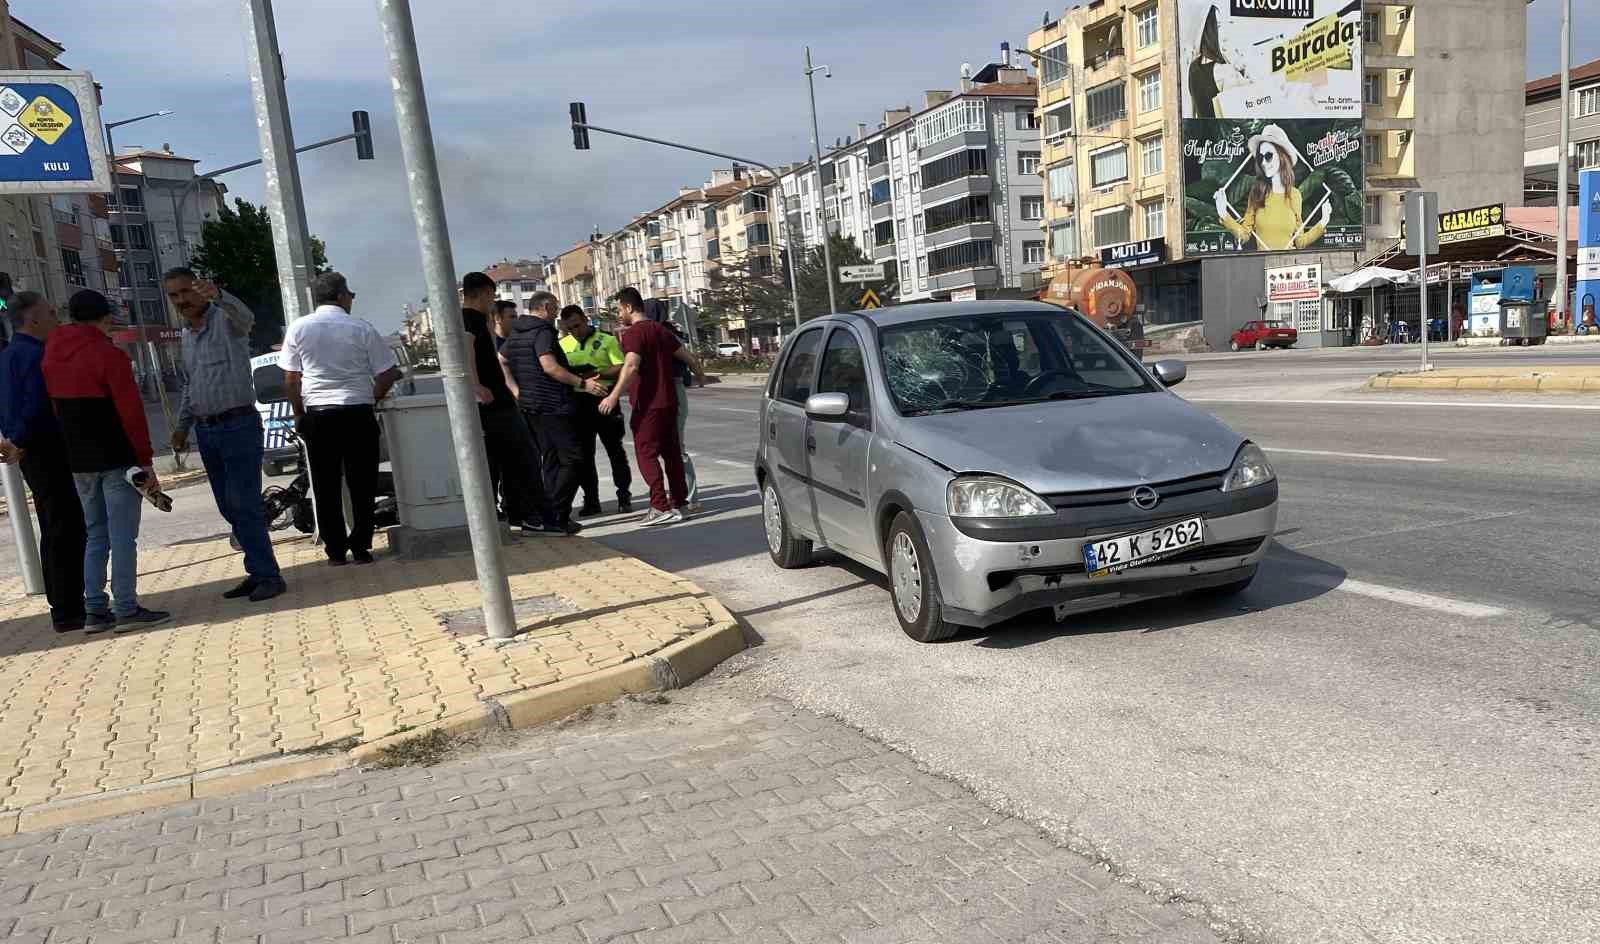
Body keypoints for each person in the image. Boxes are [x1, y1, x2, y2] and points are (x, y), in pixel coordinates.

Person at [41, 290, 169, 630]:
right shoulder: (109, 356)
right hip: (117, 460)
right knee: (123, 536)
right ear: (106, 317)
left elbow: (57, 410)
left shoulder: (51, 355)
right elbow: (131, 413)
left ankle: (95, 610)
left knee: (96, 534)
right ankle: (127, 607)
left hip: (79, 461)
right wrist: (145, 461)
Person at [165, 268, 286, 602]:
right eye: (173, 295)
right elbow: (191, 385)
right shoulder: (186, 336)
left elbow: (245, 317)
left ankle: (269, 575)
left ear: (199, 290)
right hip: (207, 430)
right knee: (227, 506)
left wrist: (218, 294)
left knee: (243, 503)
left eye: (185, 292)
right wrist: (181, 426)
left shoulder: (226, 321)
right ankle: (256, 570)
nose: (181, 301)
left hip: (239, 426)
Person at [280, 272, 402, 566]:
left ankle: (335, 551)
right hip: (357, 413)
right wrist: (370, 397)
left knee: (325, 485)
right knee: (362, 484)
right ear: (341, 296)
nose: (351, 300)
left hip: (319, 416)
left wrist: (298, 414)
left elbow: (291, 379)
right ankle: (361, 547)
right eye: (350, 295)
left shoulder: (299, 328)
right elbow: (387, 373)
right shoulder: (361, 328)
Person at [0, 292, 87, 632]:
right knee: (66, 527)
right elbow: (37, 403)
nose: (56, 318)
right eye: (50, 313)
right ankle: (70, 607)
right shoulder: (37, 355)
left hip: (29, 450)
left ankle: (63, 605)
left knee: (54, 526)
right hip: (47, 448)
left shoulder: (7, 356)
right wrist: (19, 440)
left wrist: (12, 438)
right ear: (33, 320)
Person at [502, 293, 605, 535]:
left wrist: (517, 391)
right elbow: (549, 366)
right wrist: (583, 383)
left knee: (551, 462)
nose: (557, 313)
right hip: (553, 405)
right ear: (546, 307)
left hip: (531, 407)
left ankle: (551, 517)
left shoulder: (517, 331)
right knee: (574, 459)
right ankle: (553, 516)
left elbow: (501, 360)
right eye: (556, 308)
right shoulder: (542, 331)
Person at [599, 288, 704, 526]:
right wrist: (700, 374)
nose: (619, 314)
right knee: (672, 453)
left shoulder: (634, 334)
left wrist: (614, 395)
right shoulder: (661, 330)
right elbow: (688, 356)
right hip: (669, 402)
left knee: (646, 453)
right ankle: (680, 503)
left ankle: (659, 506)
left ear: (628, 307)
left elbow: (631, 366)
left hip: (648, 404)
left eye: (619, 309)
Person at [462, 272, 547, 531]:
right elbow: (467, 348)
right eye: (492, 296)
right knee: (525, 457)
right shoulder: (471, 318)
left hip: (494, 399)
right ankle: (534, 517)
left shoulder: (472, 318)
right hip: (494, 402)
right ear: (485, 293)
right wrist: (476, 385)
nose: (493, 301)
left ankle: (519, 515)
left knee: (508, 461)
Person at [558, 305, 632, 516]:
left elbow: (621, 366)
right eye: (570, 328)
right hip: (579, 403)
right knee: (584, 456)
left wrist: (597, 371)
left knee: (615, 451)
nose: (575, 330)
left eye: (578, 325)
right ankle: (591, 500)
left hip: (604, 399)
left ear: (585, 319)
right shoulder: (563, 344)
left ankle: (624, 496)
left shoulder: (606, 340)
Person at [1213, 125, 1332, 252]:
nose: (1263, 162)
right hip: (1263, 263)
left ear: (1282, 157)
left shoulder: (1295, 195)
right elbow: (1244, 235)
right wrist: (1223, 214)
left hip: (1289, 264)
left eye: (1268, 156)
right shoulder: (1257, 193)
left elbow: (1299, 241)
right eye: (1260, 157)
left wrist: (1323, 221)